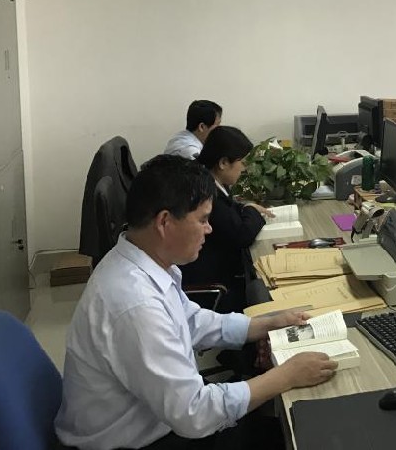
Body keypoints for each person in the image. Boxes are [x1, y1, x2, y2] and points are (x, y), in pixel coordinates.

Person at [56, 155, 337, 450]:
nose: (209, 229)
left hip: (160, 419)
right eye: (202, 219)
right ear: (164, 222)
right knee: (297, 435)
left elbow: (190, 321)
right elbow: (194, 414)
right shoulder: (136, 305)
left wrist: (264, 325)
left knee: (279, 423)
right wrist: (286, 376)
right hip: (145, 441)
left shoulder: (142, 261)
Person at [181, 126, 272, 313]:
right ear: (223, 163)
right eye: (242, 163)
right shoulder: (207, 192)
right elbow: (242, 235)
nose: (244, 169)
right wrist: (251, 210)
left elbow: (230, 209)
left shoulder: (208, 178)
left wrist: (245, 207)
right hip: (217, 281)